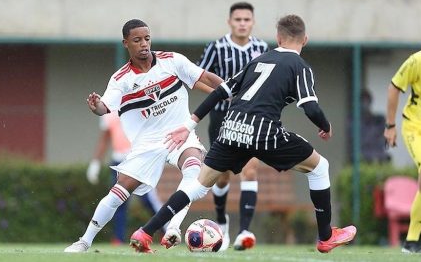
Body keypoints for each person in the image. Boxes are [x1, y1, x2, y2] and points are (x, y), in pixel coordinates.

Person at [130, 14, 357, 254]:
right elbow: (310, 106)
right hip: (263, 132)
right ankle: (326, 236)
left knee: (197, 187)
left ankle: (145, 232)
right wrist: (325, 125)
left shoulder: (259, 59)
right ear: (305, 40)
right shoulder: (300, 66)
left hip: (230, 128)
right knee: (320, 166)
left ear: (278, 38)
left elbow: (220, 92)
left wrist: (189, 125)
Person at [64, 19, 223, 253]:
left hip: (179, 133)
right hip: (147, 144)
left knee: (193, 168)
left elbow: (205, 78)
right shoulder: (121, 79)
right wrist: (96, 105)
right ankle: (85, 241)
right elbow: (104, 107)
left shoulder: (172, 60)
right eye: (137, 40)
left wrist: (230, 91)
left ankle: (173, 228)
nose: (143, 44)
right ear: (126, 43)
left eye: (146, 38)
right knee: (119, 191)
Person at [197, 1, 269, 251]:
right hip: (221, 118)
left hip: (251, 119)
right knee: (222, 175)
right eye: (238, 19)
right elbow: (198, 77)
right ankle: (222, 225)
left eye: (246, 19)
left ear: (253, 22)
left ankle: (245, 231)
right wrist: (221, 94)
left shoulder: (262, 48)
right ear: (230, 22)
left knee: (251, 169)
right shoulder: (216, 48)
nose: (242, 23)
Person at [384, 46, 421, 254]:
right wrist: (390, 126)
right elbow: (394, 86)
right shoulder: (418, 61)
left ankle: (411, 242)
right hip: (417, 128)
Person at [86, 112, 164, 244]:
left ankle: (166, 231)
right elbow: (105, 138)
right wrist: (95, 163)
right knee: (117, 201)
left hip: (138, 157)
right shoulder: (108, 108)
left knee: (148, 200)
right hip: (119, 160)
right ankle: (118, 238)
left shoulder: (138, 99)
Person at [346, 89, 391, 163]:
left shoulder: (379, 120)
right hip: (362, 153)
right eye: (362, 101)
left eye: (367, 101)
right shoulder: (352, 120)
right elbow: (356, 140)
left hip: (378, 152)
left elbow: (384, 139)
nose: (365, 104)